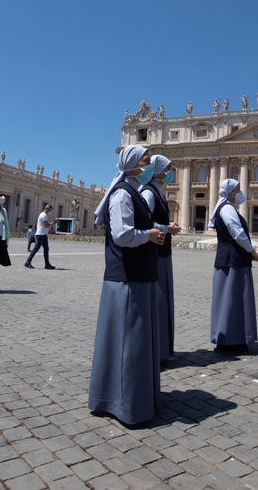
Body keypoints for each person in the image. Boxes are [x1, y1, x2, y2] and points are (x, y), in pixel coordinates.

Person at [88, 145, 165, 425]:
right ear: (133, 163)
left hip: (138, 276)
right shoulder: (122, 193)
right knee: (128, 342)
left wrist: (155, 232)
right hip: (126, 278)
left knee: (134, 341)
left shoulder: (132, 190)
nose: (149, 164)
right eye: (145, 160)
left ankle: (131, 398)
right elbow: (122, 235)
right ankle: (123, 402)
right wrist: (150, 235)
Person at [208, 178, 258, 350]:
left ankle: (234, 337)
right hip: (232, 260)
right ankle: (230, 338)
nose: (240, 192)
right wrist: (251, 251)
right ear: (230, 192)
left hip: (231, 259)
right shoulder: (227, 210)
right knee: (231, 299)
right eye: (238, 189)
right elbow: (237, 233)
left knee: (232, 298)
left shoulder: (226, 208)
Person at [141, 155, 182, 361]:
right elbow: (142, 221)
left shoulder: (158, 192)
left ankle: (162, 349)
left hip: (162, 251)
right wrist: (167, 228)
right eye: (167, 169)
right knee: (158, 300)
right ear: (157, 171)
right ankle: (156, 350)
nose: (170, 173)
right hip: (155, 252)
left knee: (163, 300)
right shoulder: (149, 193)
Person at [24, 205, 58, 269]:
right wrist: (54, 222)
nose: (50, 212)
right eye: (50, 210)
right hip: (42, 234)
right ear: (47, 209)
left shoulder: (41, 214)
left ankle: (28, 262)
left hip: (39, 234)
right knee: (46, 249)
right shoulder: (44, 215)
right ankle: (47, 264)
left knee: (35, 249)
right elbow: (46, 226)